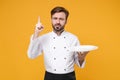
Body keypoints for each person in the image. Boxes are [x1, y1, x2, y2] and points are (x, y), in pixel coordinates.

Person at [27, 6, 89, 80]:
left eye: (61, 19)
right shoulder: (44, 38)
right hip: (50, 77)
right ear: (51, 20)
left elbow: (79, 63)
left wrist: (81, 58)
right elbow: (31, 55)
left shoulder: (73, 38)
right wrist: (36, 33)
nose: (58, 22)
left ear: (66, 21)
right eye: (55, 18)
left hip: (69, 77)